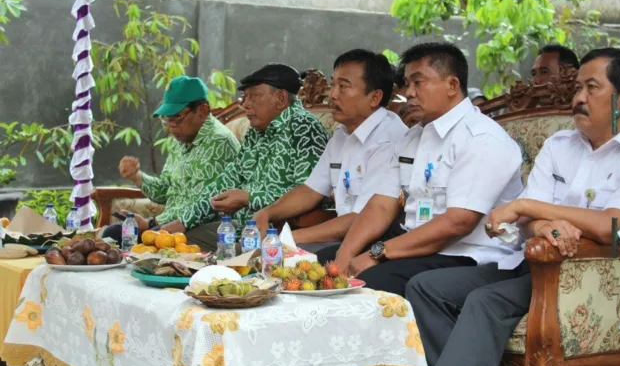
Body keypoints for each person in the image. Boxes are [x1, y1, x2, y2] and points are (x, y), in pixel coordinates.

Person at [406, 47, 620, 366]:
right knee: (425, 287)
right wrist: (541, 226)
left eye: (591, 88)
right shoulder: (560, 145)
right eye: (576, 88)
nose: (579, 98)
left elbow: (612, 225)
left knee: (483, 301)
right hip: (529, 260)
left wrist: (526, 206)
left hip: (584, 274)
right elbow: (527, 222)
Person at [316, 42, 523, 296]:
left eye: (418, 82)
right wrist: (344, 255)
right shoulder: (413, 137)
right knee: (321, 264)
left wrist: (377, 253)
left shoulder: (481, 138)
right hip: (415, 244)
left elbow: (457, 224)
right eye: (407, 84)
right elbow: (381, 204)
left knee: (370, 283)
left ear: (452, 85)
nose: (409, 93)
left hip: (465, 252)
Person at [253, 49, 408, 249]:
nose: (332, 94)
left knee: (282, 258)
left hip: (373, 244)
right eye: (333, 84)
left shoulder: (389, 140)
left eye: (343, 87)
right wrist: (266, 213)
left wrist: (288, 240)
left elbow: (363, 218)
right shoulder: (342, 134)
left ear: (375, 97)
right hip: (340, 236)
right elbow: (311, 190)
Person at [191, 63, 329, 237]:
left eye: (254, 97)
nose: (245, 105)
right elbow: (228, 179)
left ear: (280, 98)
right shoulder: (255, 131)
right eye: (245, 97)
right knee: (184, 238)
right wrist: (183, 221)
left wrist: (248, 198)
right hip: (242, 228)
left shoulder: (304, 128)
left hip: (276, 233)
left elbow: (308, 194)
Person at [102, 76, 240, 247]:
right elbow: (164, 192)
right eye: (167, 119)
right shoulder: (180, 141)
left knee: (120, 239)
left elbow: (208, 206)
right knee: (113, 234)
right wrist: (137, 176)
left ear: (202, 111)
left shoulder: (219, 142)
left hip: (198, 227)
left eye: (177, 117)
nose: (171, 125)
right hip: (167, 225)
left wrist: (153, 225)